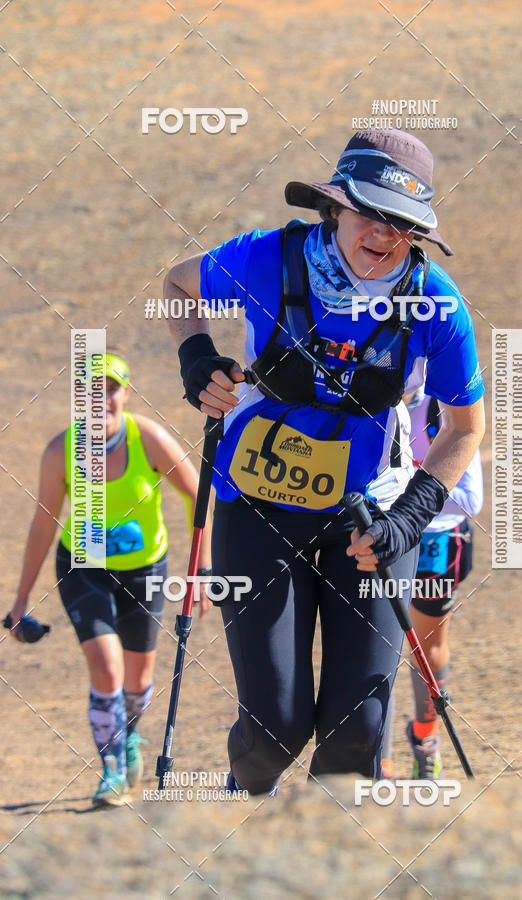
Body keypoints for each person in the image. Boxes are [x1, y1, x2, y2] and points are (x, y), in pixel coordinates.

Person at [164, 128, 485, 795]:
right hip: (259, 503)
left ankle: (329, 870)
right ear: (334, 207)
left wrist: (409, 519)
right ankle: (237, 822)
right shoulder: (263, 260)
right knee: (275, 727)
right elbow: (176, 285)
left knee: (357, 730)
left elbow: (464, 429)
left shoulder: (437, 302)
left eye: (402, 224)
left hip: (371, 515)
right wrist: (196, 357)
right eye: (370, 213)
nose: (384, 235)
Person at [8, 351, 210, 807]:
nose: (101, 398)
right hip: (85, 569)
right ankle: (113, 769)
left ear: (127, 394)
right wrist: (20, 601)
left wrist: (200, 568)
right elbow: (44, 524)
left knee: (138, 682)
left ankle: (130, 736)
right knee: (107, 667)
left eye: (111, 387)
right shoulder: (60, 450)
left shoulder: (149, 439)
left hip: (145, 571)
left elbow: (198, 497)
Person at [379, 387, 484, 779]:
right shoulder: (364, 394)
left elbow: (471, 499)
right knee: (378, 647)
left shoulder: (447, 401)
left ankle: (425, 738)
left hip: (436, 542)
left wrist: (405, 490)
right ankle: (377, 759)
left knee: (427, 647)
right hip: (380, 535)